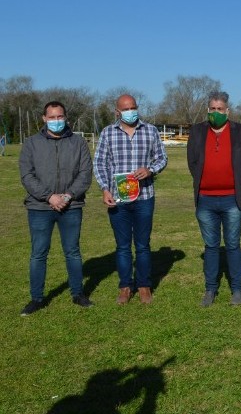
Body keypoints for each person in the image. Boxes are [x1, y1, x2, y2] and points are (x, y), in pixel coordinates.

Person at [19, 101, 94, 315]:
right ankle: (37, 298)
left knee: (72, 252)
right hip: (39, 207)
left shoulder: (78, 142)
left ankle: (78, 293)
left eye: (59, 116)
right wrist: (49, 197)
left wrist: (68, 195)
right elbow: (27, 175)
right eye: (52, 117)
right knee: (39, 253)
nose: (56, 121)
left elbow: (85, 173)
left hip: (72, 206)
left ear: (66, 118)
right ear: (44, 119)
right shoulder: (31, 143)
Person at [94, 94, 168, 305]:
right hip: (118, 199)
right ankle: (125, 286)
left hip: (144, 197)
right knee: (123, 246)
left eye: (133, 107)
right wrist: (105, 189)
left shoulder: (151, 131)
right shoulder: (108, 133)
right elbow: (100, 163)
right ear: (117, 111)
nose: (130, 111)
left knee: (143, 245)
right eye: (125, 109)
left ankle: (144, 285)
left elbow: (162, 157)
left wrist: (150, 169)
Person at [187, 91, 241, 307]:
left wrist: (236, 184)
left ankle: (237, 290)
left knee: (233, 245)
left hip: (232, 199)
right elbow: (192, 162)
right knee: (211, 246)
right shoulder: (197, 131)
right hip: (206, 199)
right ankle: (210, 290)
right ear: (208, 110)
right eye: (212, 109)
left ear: (228, 110)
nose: (216, 112)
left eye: (220, 109)